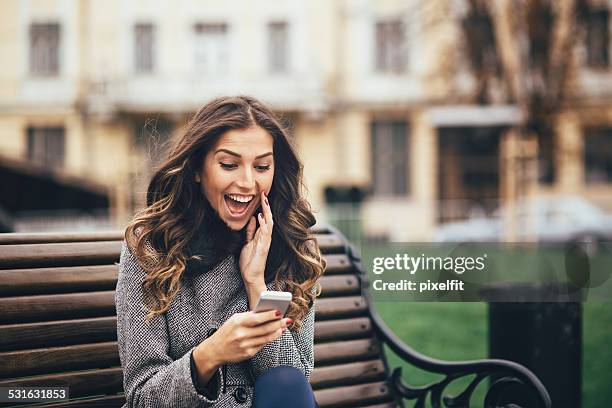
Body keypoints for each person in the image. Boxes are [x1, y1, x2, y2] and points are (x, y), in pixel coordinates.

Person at [115, 96, 325, 407]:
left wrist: (256, 284)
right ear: (198, 168)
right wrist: (210, 354)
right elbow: (141, 398)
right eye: (229, 164)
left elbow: (293, 386)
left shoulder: (291, 247)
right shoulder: (152, 249)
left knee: (285, 380)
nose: (247, 182)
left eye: (262, 166)